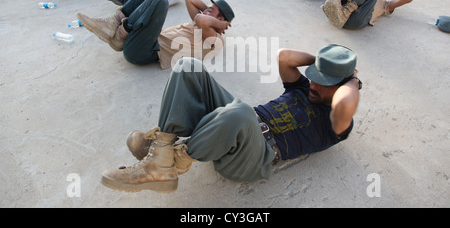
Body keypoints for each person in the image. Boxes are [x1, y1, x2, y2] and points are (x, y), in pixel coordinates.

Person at [99, 44, 361, 193]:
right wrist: (327, 64)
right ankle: (162, 154)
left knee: (242, 112)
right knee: (188, 66)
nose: (314, 83)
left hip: (254, 158)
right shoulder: (304, 87)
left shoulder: (336, 124)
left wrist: (352, 79)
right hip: (235, 126)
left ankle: (172, 161)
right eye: (315, 75)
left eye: (324, 82)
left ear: (342, 86)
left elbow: (345, 103)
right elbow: (284, 57)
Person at [76, 0, 234, 68]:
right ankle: (115, 24)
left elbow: (201, 19)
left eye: (210, 10)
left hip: (144, 52)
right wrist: (211, 12)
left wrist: (219, 25)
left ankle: (120, 32)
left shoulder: (214, 39)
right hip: (144, 40)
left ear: (220, 20)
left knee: (160, 2)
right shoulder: (202, 23)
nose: (205, 10)